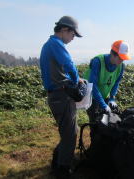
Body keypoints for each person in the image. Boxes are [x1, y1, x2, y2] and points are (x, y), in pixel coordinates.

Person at [39, 15, 83, 178]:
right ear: (65, 30)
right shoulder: (56, 44)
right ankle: (62, 170)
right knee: (70, 135)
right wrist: (77, 79)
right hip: (61, 96)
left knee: (69, 132)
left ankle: (57, 162)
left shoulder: (48, 45)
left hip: (56, 95)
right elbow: (69, 65)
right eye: (73, 35)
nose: (73, 38)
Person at [84, 40, 131, 121]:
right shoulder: (98, 61)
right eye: (120, 58)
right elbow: (92, 85)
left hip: (105, 96)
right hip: (91, 96)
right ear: (112, 54)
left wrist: (112, 98)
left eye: (123, 59)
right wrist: (103, 104)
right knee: (95, 122)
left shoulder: (121, 66)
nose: (121, 61)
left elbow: (116, 83)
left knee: (106, 122)